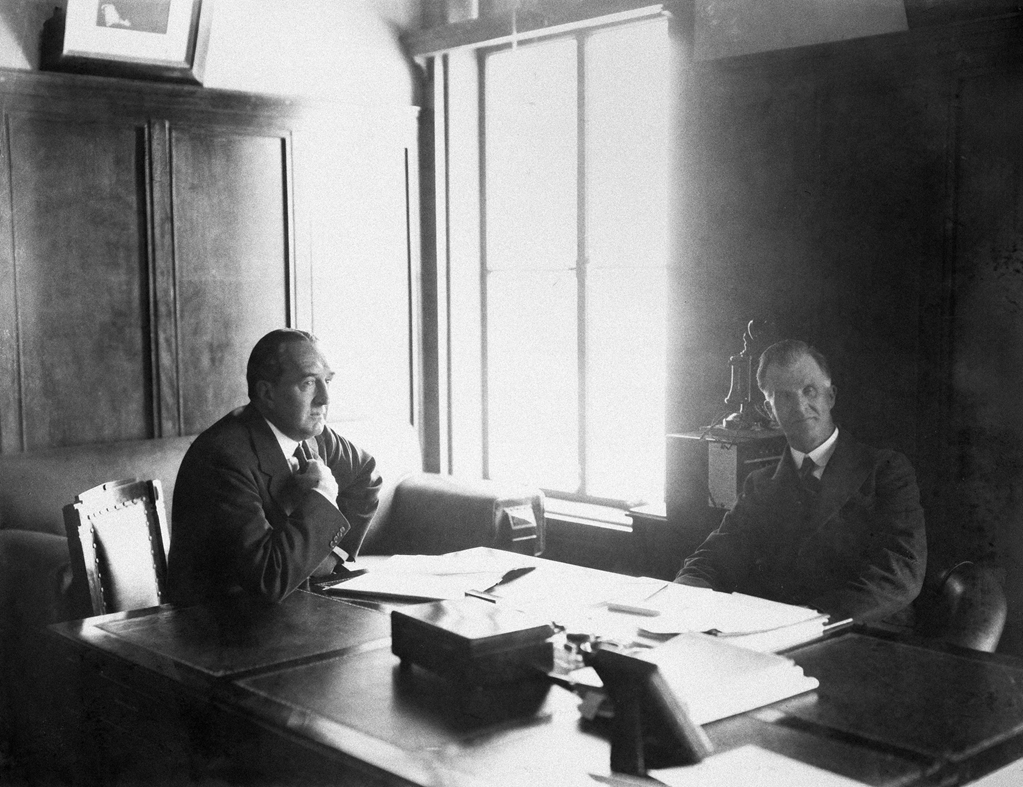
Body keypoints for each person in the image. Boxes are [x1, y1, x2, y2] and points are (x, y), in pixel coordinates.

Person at [676, 339, 926, 625]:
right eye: (783, 397)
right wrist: (687, 587)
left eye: (810, 391)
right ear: (769, 412)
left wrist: (808, 621)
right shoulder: (760, 485)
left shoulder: (886, 471)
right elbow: (718, 553)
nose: (799, 405)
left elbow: (900, 574)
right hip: (775, 635)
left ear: (830, 396)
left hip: (861, 634)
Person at [167, 329, 381, 605]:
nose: (325, 398)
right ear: (267, 393)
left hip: (288, 615)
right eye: (308, 383)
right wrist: (324, 495)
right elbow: (268, 578)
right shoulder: (222, 458)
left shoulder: (314, 434)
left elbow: (367, 474)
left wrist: (330, 558)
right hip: (220, 628)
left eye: (327, 381)